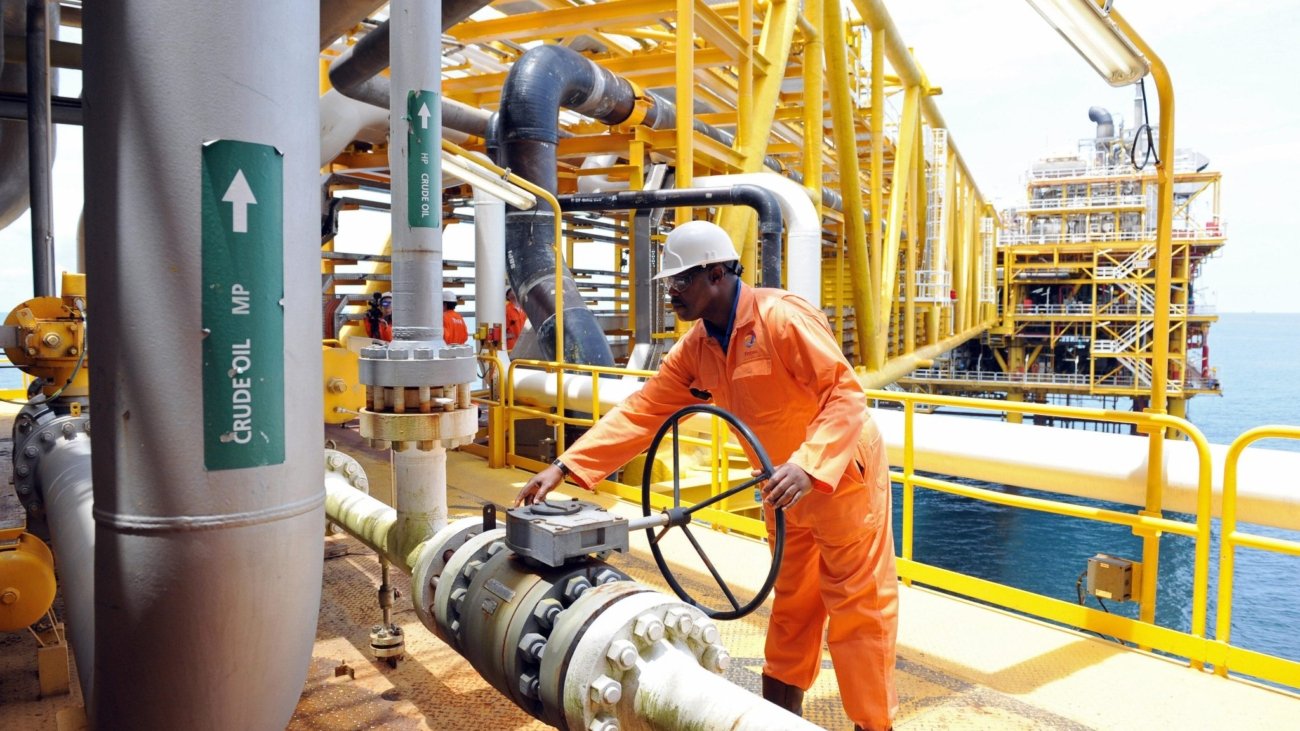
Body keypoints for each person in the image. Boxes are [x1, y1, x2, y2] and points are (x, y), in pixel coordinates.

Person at [514, 220, 898, 731]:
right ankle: (778, 720)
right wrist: (565, 466)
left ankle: (874, 725)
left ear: (717, 273)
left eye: (681, 280)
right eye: (669, 282)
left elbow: (845, 395)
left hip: (840, 480)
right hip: (782, 489)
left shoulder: (781, 318)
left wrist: (808, 465)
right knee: (792, 609)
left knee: (858, 613)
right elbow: (644, 410)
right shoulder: (698, 346)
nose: (671, 292)